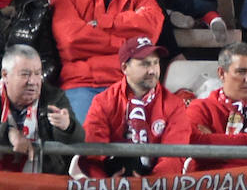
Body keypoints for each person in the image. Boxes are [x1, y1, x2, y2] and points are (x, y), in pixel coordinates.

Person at [49, 0, 165, 120]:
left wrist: (100, 24)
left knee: (146, 143)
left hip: (133, 84)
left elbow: (149, 32)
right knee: (83, 142)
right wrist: (126, 47)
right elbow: (71, 42)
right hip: (82, 85)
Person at [160, 41, 247, 174]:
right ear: (221, 73)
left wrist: (219, 154)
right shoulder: (201, 107)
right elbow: (193, 142)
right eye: (242, 72)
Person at [0, 44, 84, 174]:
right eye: (25, 74)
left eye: (38, 73)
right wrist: (6, 132)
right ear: (5, 75)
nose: (33, 81)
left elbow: (77, 142)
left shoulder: (54, 96)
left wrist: (67, 127)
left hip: (41, 180)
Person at [80, 37, 187, 176]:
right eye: (145, 64)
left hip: (155, 186)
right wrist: (105, 185)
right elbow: (92, 154)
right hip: (111, 182)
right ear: (124, 68)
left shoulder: (174, 105)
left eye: (156, 63)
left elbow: (174, 157)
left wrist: (149, 187)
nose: (152, 71)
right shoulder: (103, 101)